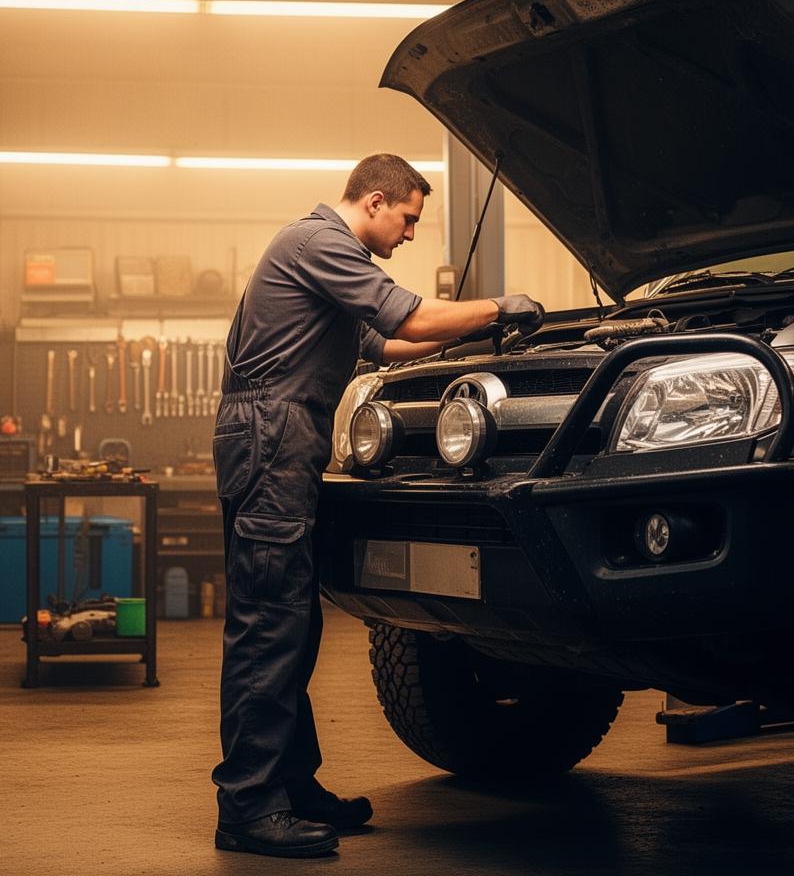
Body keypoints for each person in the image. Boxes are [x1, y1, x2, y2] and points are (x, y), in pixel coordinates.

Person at [211, 153, 545, 858]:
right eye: (409, 218)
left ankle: (292, 787)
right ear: (373, 202)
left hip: (282, 438)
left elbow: (387, 343)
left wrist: (475, 331)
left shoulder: (323, 263)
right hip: (272, 435)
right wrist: (498, 306)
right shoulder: (319, 242)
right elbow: (412, 317)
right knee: (268, 626)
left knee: (293, 627)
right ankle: (247, 806)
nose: (411, 234)